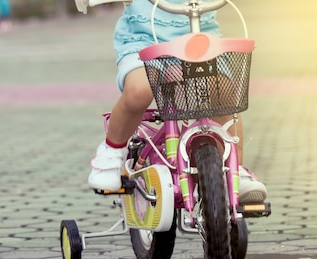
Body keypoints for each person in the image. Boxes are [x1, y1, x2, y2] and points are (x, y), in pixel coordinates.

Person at [88, 0, 267, 204]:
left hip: (198, 34)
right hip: (143, 38)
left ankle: (234, 171)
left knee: (222, 91)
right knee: (139, 91)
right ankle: (112, 151)